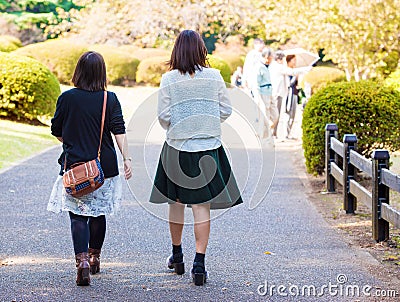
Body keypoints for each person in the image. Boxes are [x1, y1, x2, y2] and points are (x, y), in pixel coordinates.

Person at [149, 30, 243, 286]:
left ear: (176, 51)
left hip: (177, 149)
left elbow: (163, 117)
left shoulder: (169, 79)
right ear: (202, 49)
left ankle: (177, 255)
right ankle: (199, 264)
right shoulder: (214, 77)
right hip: (208, 149)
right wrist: (207, 121)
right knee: (202, 208)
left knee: (176, 204)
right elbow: (226, 110)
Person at [47, 51, 132, 286]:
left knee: (77, 215)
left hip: (74, 167)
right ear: (101, 73)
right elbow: (119, 130)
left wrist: (74, 142)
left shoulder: (67, 98)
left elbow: (57, 130)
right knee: (98, 213)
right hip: (103, 168)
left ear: (78, 72)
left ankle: (81, 261)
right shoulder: (110, 99)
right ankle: (94, 257)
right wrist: (127, 159)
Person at [269, 51, 311, 138]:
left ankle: (274, 133)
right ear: (280, 59)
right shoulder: (277, 66)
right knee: (276, 114)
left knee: (277, 114)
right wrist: (306, 69)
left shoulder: (276, 66)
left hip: (279, 93)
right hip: (277, 93)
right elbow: (291, 72)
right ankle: (272, 133)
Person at [255, 47, 277, 138]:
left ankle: (264, 132)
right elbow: (256, 83)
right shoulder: (259, 67)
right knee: (264, 115)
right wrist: (259, 96)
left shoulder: (269, 67)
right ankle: (262, 135)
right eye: (267, 58)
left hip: (270, 92)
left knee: (275, 115)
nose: (268, 60)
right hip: (262, 93)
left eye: (270, 58)